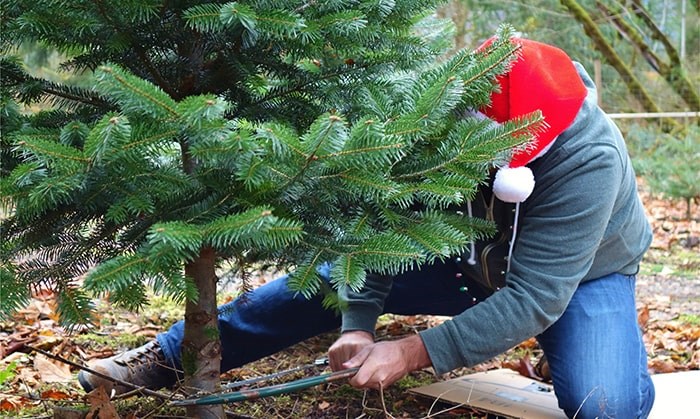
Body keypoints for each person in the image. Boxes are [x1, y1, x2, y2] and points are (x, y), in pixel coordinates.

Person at [78, 37, 656, 418]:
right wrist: (358, 321)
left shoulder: (591, 158)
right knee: (322, 282)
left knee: (608, 405)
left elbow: (536, 293)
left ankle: (588, 346)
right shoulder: (444, 113)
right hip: (459, 258)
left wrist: (411, 351)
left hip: (576, 279)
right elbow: (384, 227)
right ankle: (162, 359)